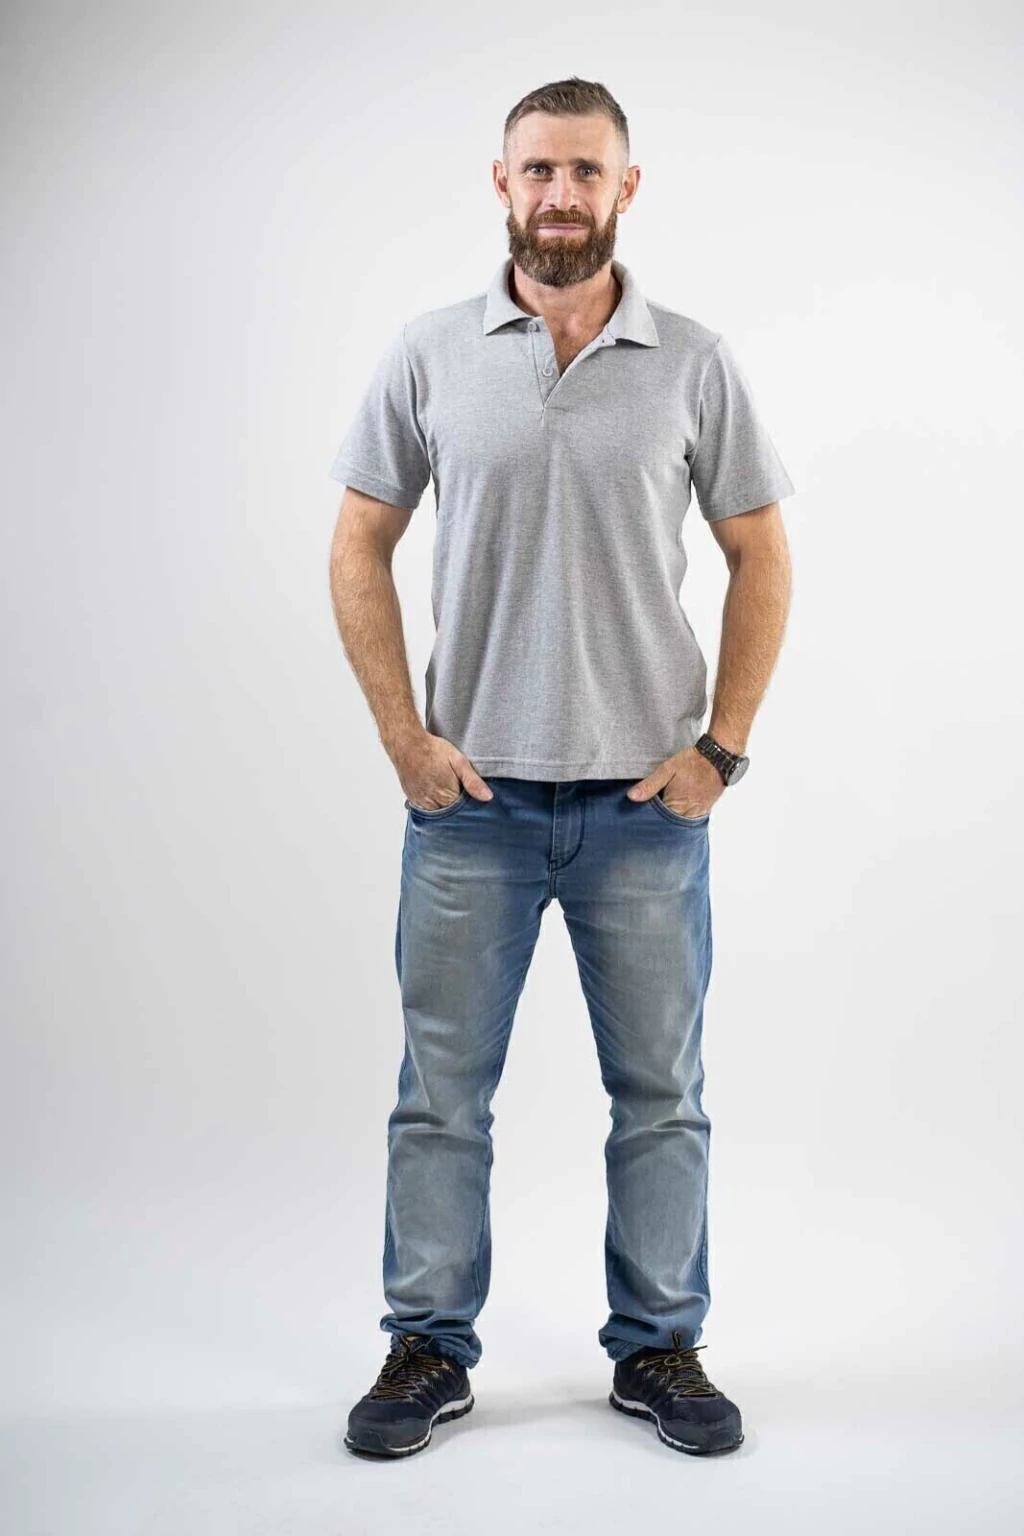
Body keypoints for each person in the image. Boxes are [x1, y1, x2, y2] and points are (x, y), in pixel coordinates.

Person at [328, 75, 795, 1460]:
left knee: (661, 1099)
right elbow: (358, 541)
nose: (560, 193)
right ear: (502, 182)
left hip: (645, 808)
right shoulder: (430, 353)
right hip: (467, 806)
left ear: (625, 189)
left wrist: (721, 750)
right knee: (439, 1099)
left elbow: (762, 552)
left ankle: (659, 1349)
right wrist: (402, 740)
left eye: (586, 170)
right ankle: (427, 1346)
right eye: (538, 168)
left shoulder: (694, 361)